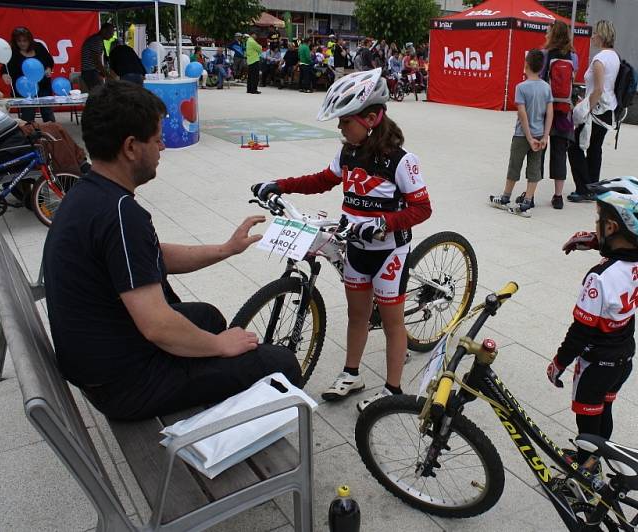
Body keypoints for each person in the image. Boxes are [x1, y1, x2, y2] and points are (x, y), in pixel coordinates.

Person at [42, 81, 301, 421]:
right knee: (281, 364)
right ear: (131, 147)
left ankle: (217, 395)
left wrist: (225, 249)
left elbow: (150, 256)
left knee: (207, 316)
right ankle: (240, 451)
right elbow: (158, 327)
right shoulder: (120, 214)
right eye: (157, 138)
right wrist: (221, 346)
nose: (163, 146)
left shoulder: (89, 192)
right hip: (125, 384)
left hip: (99, 361)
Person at [252, 69, 432, 411]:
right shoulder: (348, 151)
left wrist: (383, 222)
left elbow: (422, 209)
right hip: (356, 249)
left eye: (344, 121)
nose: (339, 128)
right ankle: (352, 374)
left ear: (372, 118)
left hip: (389, 251)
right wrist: (280, 184)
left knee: (393, 324)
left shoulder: (402, 161)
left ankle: (393, 391)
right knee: (356, 316)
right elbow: (322, 180)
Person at [548, 177, 638, 468]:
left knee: (586, 423)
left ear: (611, 227)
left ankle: (587, 472)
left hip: (595, 362)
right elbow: (625, 252)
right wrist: (593, 240)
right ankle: (596, 459)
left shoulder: (599, 278)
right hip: (622, 356)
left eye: (598, 220)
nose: (596, 225)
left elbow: (580, 332)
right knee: (603, 410)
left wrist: (559, 362)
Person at [489, 50, 552, 218]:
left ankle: (505, 198)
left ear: (526, 65)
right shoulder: (546, 87)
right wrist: (545, 136)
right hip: (540, 136)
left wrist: (529, 137)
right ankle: (527, 202)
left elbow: (522, 114)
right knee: (534, 169)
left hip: (522, 136)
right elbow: (550, 113)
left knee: (514, 166)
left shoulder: (521, 87)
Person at [566, 20, 620, 203]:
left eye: (595, 33)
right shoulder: (614, 57)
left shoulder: (600, 59)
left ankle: (584, 188)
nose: (592, 36)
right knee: (595, 148)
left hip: (596, 109)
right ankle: (592, 186)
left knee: (574, 146)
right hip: (609, 109)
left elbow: (597, 89)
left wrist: (585, 110)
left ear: (601, 35)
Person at [539, 20, 579, 210]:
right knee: (560, 152)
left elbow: (540, 79)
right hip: (565, 111)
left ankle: (531, 191)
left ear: (553, 35)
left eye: (548, 32)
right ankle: (558, 196)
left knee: (538, 150)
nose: (546, 35)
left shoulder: (546, 55)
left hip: (547, 109)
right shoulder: (573, 56)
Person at [0, 26, 55, 122]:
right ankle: (29, 135)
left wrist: (48, 69)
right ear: (15, 41)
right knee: (28, 114)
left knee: (47, 112)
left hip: (43, 86)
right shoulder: (13, 52)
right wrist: (4, 75)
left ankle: (53, 132)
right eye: (19, 41)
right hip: (24, 88)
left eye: (25, 40)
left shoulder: (39, 47)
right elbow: (5, 67)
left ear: (30, 40)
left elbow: (49, 61)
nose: (22, 43)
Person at [81, 23, 114, 91]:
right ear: (104, 30)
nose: (112, 35)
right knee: (99, 94)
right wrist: (107, 75)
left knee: (98, 94)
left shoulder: (96, 39)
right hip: (90, 72)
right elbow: (96, 61)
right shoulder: (96, 40)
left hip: (90, 72)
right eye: (110, 32)